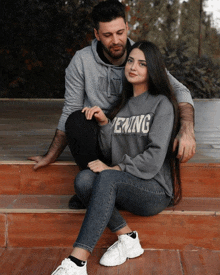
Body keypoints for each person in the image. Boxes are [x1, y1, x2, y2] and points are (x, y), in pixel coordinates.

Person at [28, 0, 196, 209]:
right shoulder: (81, 61)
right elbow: (70, 110)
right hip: (102, 137)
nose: (116, 40)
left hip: (133, 137)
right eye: (107, 35)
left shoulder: (141, 56)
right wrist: (51, 155)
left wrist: (187, 130)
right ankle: (96, 184)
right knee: (77, 121)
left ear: (127, 28)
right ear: (97, 35)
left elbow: (180, 90)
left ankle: (106, 190)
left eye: (120, 32)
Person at [51, 40, 181, 275]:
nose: (133, 67)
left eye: (142, 64)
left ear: (152, 69)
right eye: (131, 61)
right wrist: (104, 123)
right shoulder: (122, 105)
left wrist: (116, 168)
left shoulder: (162, 104)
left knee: (107, 177)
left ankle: (77, 262)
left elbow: (153, 158)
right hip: (126, 184)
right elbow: (112, 150)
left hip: (154, 189)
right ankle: (128, 238)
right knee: (83, 180)